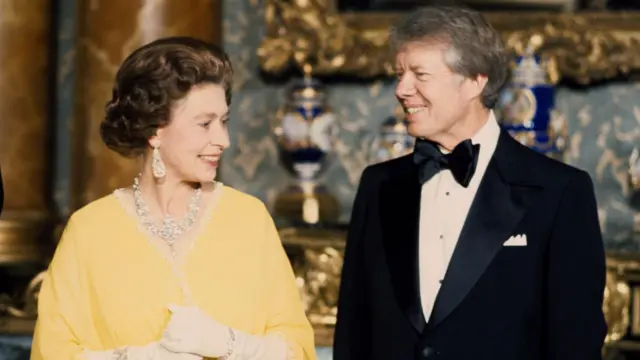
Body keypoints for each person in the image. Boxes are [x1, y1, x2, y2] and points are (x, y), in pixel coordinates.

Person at [333, 6, 606, 360]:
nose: (402, 89)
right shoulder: (378, 185)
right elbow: (353, 333)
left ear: (475, 81)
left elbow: (575, 345)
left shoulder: (558, 192)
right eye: (400, 74)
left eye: (420, 74)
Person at [31, 36, 316, 360]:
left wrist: (229, 343)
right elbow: (51, 353)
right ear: (155, 130)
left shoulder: (249, 219)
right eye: (204, 124)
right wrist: (140, 357)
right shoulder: (89, 230)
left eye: (223, 122)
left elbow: (298, 350)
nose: (223, 140)